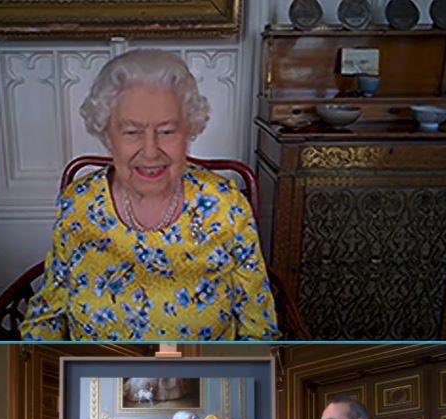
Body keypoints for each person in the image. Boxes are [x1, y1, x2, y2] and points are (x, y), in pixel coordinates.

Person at [20, 49, 279, 341]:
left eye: (167, 131)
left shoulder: (224, 205)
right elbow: (48, 312)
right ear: (108, 136)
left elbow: (259, 327)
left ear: (189, 132)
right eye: (132, 132)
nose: (151, 151)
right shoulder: (79, 203)